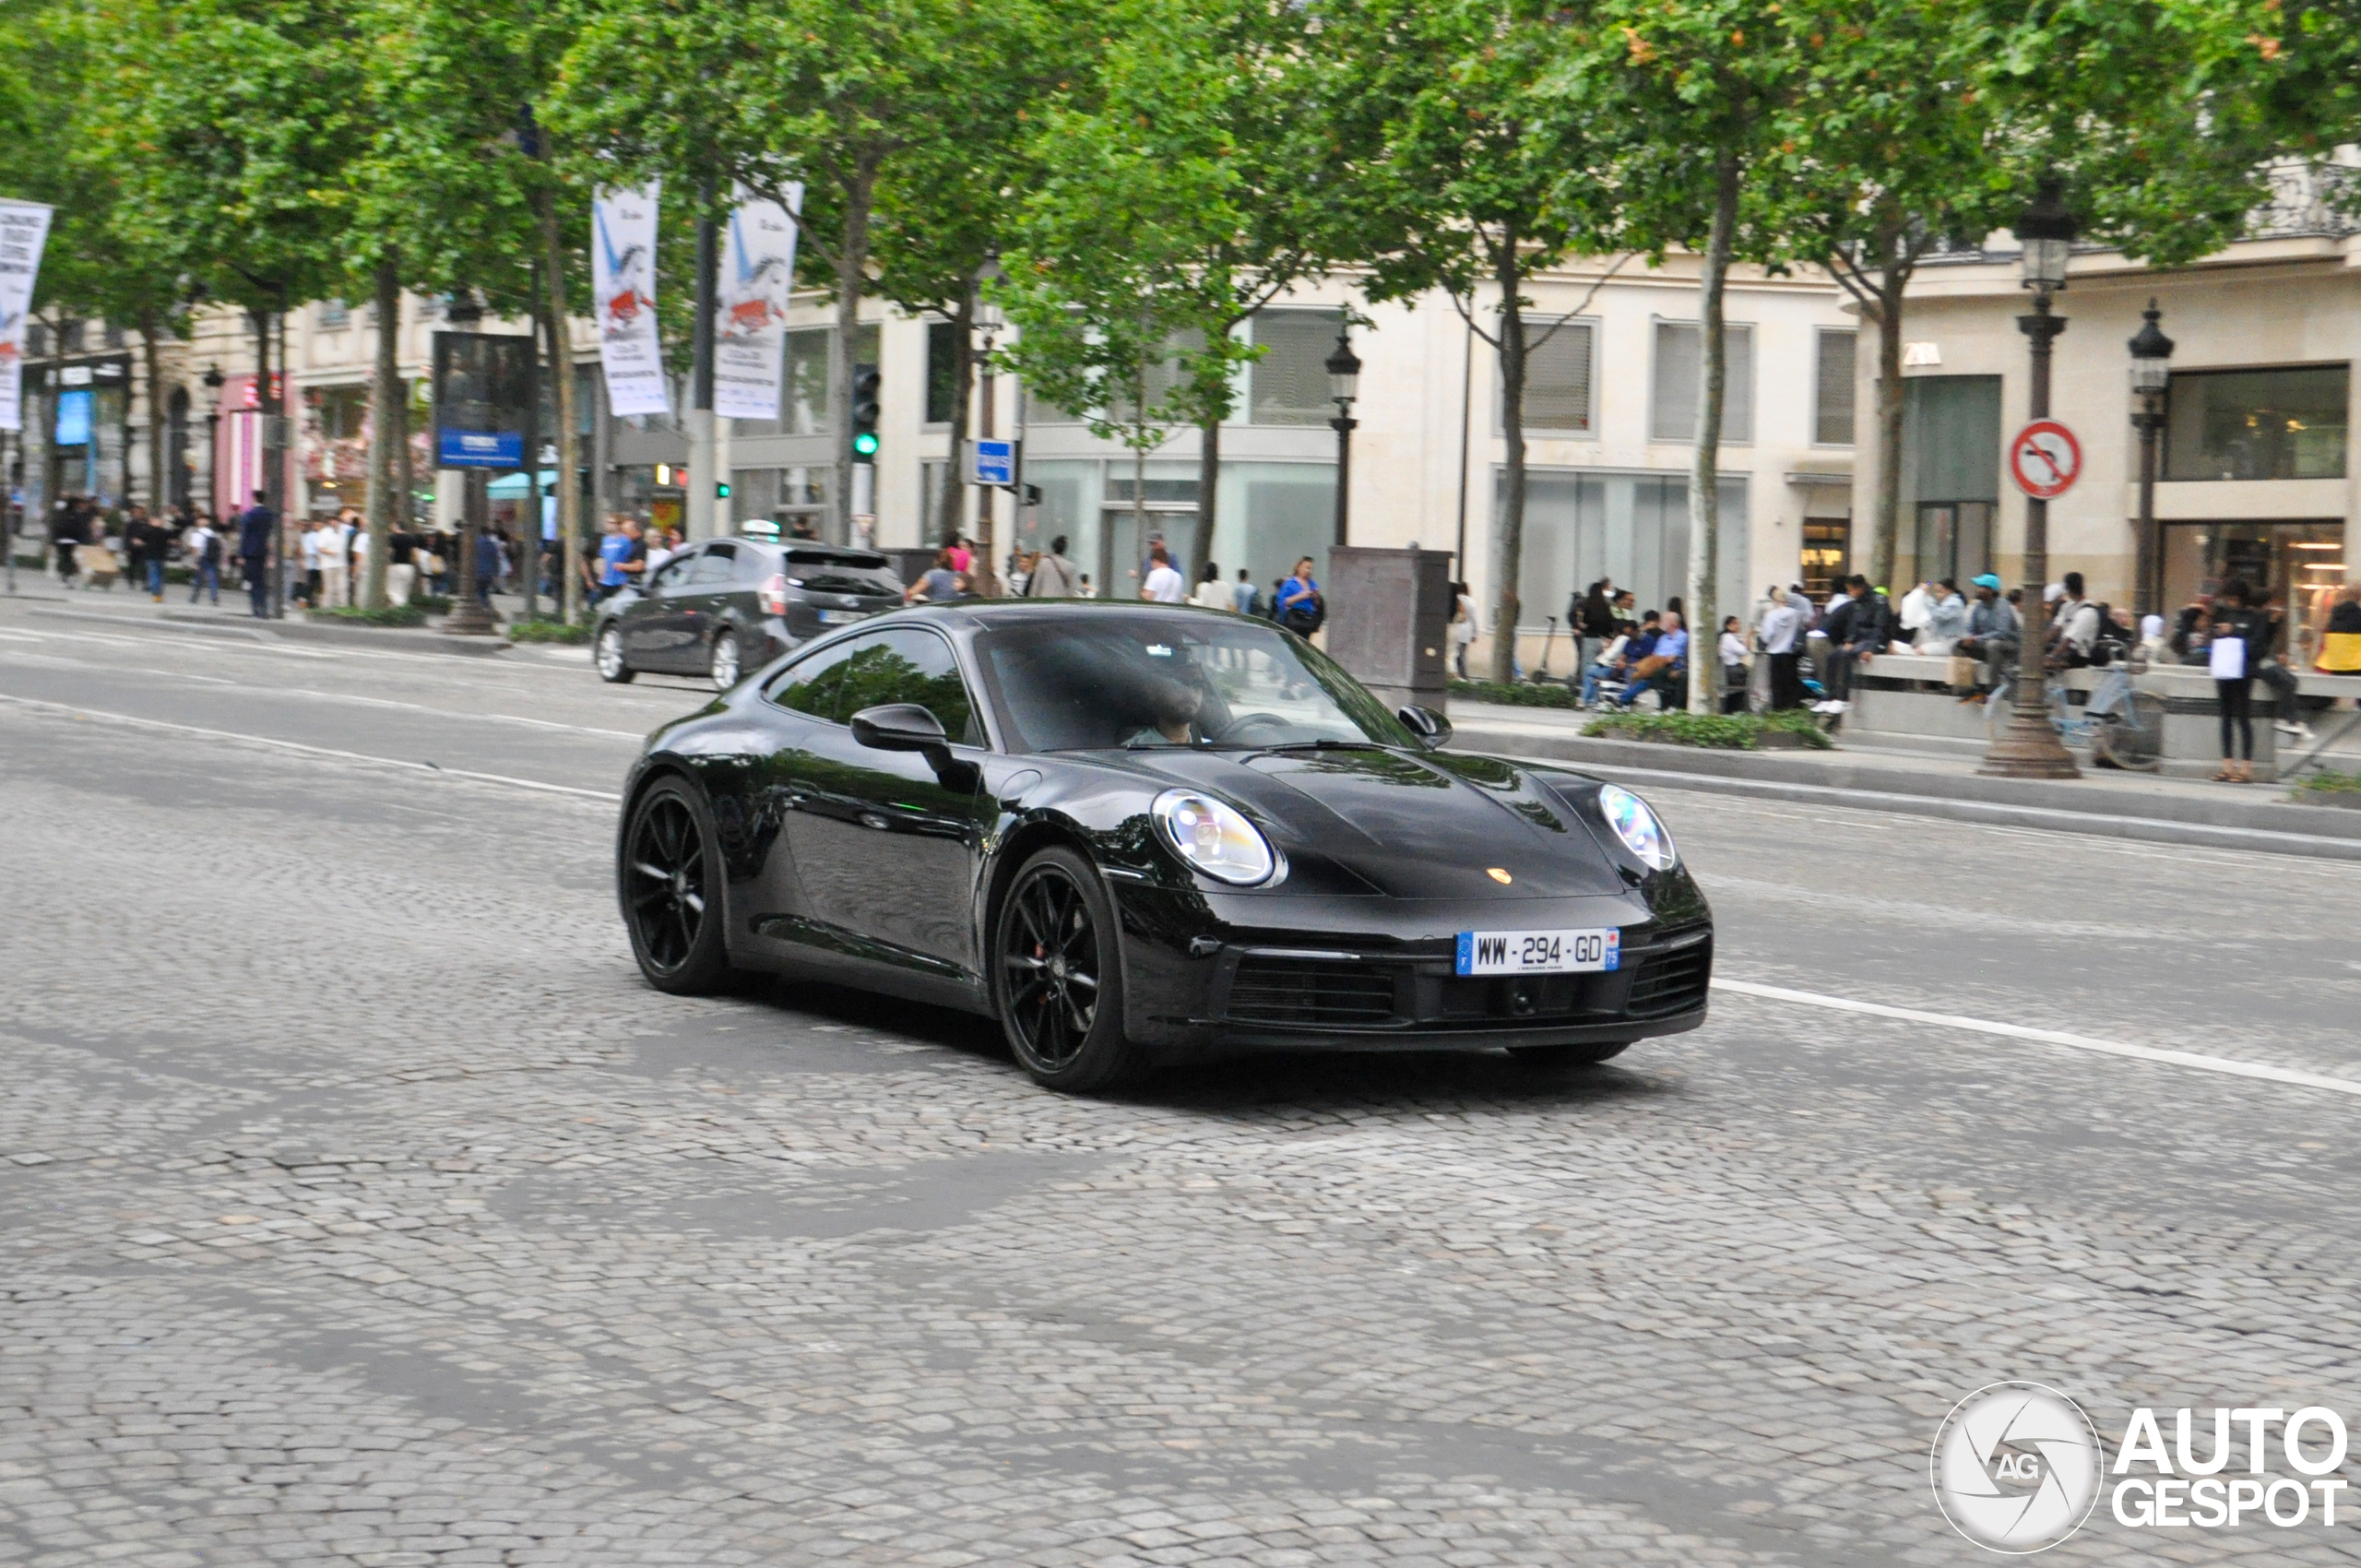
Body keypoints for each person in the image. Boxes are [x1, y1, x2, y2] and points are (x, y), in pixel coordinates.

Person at [2209, 577, 2272, 782]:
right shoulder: (2221, 613)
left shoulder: (2257, 616)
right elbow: (2213, 637)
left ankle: (2245, 768)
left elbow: (2258, 647)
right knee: (2225, 716)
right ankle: (2227, 765)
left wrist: (2233, 631)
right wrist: (2217, 632)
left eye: (2234, 599)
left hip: (2245, 670)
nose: (2231, 603)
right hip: (2225, 668)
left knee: (2243, 716)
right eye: (2228, 599)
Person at [1814, 576, 1884, 712]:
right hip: (1860, 639)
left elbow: (1879, 627)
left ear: (1860, 588)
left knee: (1846, 655)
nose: (1849, 593)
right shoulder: (1856, 603)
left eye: (1851, 590)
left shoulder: (1878, 601)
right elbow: (1853, 625)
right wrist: (1850, 640)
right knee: (1833, 656)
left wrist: (1871, 648)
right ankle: (1829, 696)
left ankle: (1843, 698)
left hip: (1873, 640)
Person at [1953, 573, 2021, 702]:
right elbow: (1971, 629)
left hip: (2009, 646)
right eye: (1978, 586)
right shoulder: (1979, 606)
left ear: (1992, 590)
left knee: (1993, 645)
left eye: (1983, 587)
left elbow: (2003, 632)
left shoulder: (2002, 605)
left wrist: (1977, 639)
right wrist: (1968, 639)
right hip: (1987, 645)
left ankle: (1993, 686)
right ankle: (1970, 686)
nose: (1979, 589)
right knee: (1958, 647)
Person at [1760, 588, 1805, 710]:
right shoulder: (1796, 614)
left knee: (1777, 686)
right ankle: (1792, 708)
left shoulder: (1770, 615)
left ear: (1774, 600)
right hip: (1790, 654)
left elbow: (1766, 636)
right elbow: (1801, 630)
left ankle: (1778, 710)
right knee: (1791, 684)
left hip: (1774, 654)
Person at [2047, 572, 2100, 666]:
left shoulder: (2088, 612)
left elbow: (2070, 639)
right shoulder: (2067, 606)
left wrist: (2051, 657)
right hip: (2064, 651)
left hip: (2079, 655)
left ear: (2069, 590)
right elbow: (2055, 629)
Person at [592, 516, 645, 601]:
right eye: (607, 523)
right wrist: (600, 570)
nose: (609, 525)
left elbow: (629, 557)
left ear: (618, 525)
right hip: (605, 579)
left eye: (612, 523)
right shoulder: (605, 540)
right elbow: (602, 557)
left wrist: (625, 576)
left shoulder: (625, 540)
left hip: (619, 580)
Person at [1274, 557, 1323, 636]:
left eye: (1310, 569)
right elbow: (1283, 602)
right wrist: (1300, 596)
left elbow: (1317, 604)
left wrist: (1316, 597)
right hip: (1295, 618)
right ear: (1298, 567)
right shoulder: (1290, 583)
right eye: (1306, 568)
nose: (1308, 571)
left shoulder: (1312, 584)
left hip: (1308, 619)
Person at [2320, 583, 2361, 674]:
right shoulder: (2358, 615)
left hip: (2334, 663)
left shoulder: (2334, 614)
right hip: (2356, 664)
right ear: (2359, 597)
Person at [1922, 578, 1969, 653]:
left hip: (1951, 643)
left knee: (1921, 651)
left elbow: (1940, 615)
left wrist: (1927, 597)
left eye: (1940, 592)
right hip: (1942, 641)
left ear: (1949, 591)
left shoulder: (1955, 603)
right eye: (1936, 592)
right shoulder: (1944, 604)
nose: (1937, 595)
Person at [1026, 535, 1081, 599]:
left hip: (1044, 602)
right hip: (1061, 603)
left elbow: (1036, 585)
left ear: (1053, 547)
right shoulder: (1070, 566)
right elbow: (1072, 590)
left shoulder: (1043, 562)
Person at [185, 514, 222, 605]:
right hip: (212, 557)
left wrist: (195, 561)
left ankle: (194, 597)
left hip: (202, 557)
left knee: (199, 578)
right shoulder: (211, 533)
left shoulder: (197, 533)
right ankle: (214, 597)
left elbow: (195, 549)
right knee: (212, 578)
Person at [1717, 614, 1749, 714]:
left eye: (1738, 623)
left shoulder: (1733, 637)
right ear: (1728, 626)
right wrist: (1748, 636)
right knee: (1736, 692)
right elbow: (1743, 651)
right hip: (1733, 669)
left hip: (1734, 668)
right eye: (1734, 623)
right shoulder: (1728, 638)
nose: (1738, 626)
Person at [1450, 580, 1478, 677]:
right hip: (1468, 628)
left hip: (1457, 627)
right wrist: (1475, 633)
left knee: (1455, 654)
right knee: (1462, 653)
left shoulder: (1457, 599)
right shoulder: (1472, 601)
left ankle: (1460, 675)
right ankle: (1463, 674)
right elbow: (1474, 618)